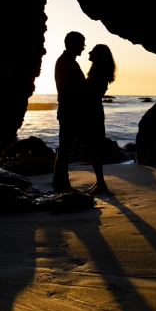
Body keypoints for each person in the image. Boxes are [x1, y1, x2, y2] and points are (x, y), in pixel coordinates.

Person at [52, 31, 86, 192]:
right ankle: (61, 183)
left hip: (71, 111)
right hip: (69, 111)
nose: (83, 48)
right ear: (71, 44)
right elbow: (66, 89)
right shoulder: (65, 62)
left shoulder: (71, 62)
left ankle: (60, 182)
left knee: (67, 148)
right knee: (65, 148)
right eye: (81, 44)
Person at [83, 44, 116, 194]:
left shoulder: (98, 74)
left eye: (93, 51)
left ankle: (101, 182)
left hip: (91, 112)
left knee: (92, 147)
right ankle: (100, 181)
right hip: (95, 110)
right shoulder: (101, 73)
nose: (89, 52)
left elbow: (89, 94)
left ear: (99, 56)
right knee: (93, 147)